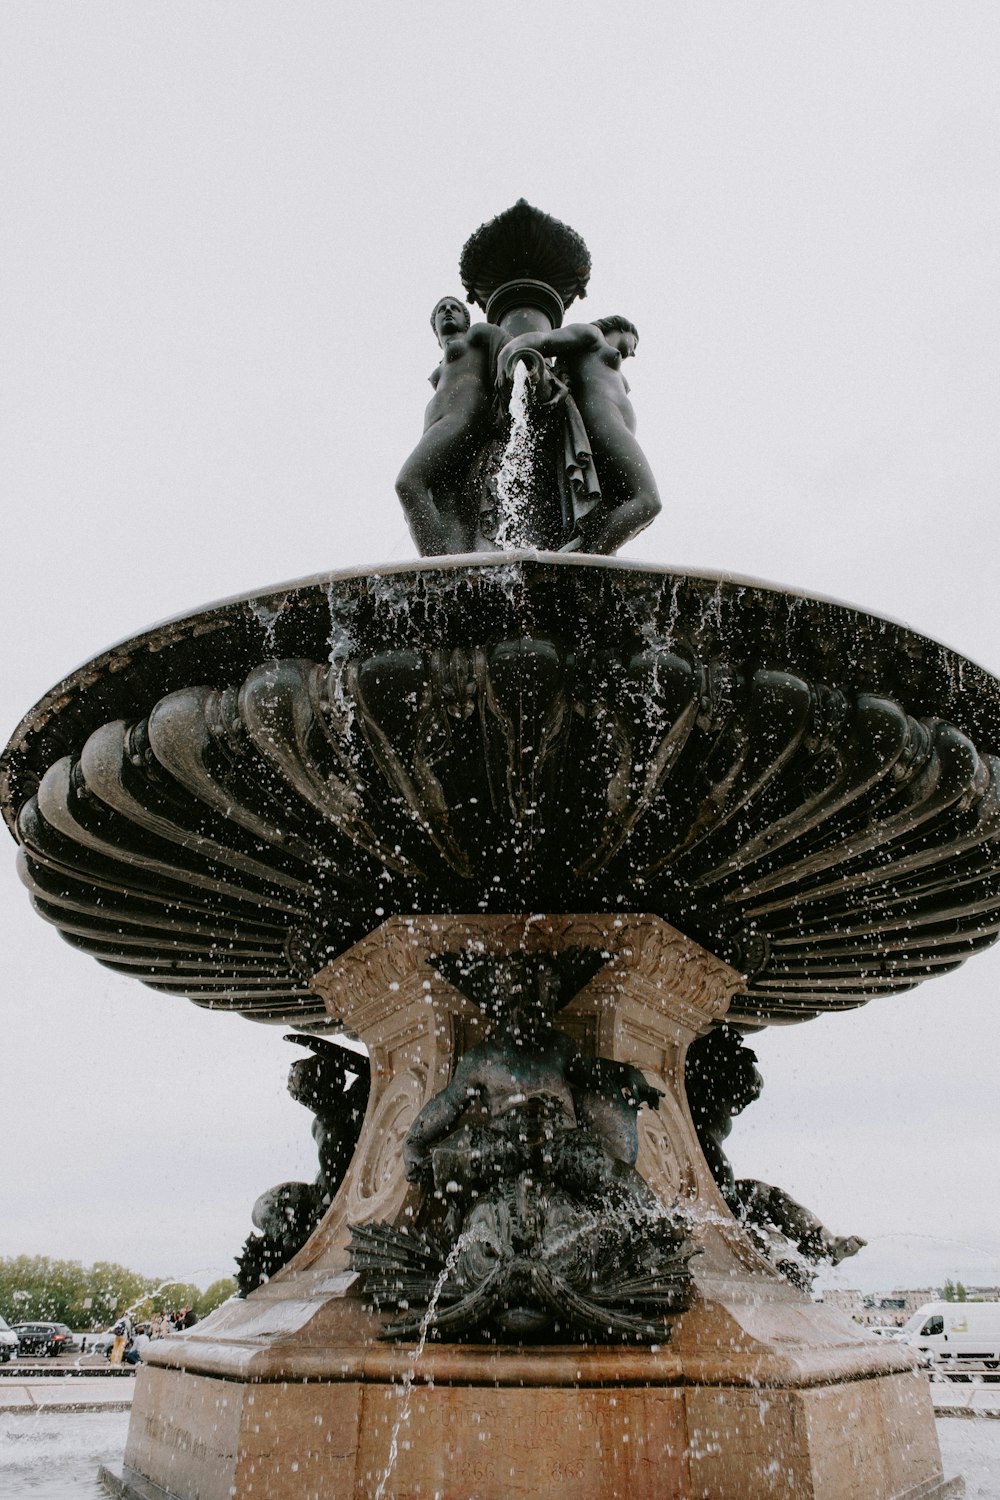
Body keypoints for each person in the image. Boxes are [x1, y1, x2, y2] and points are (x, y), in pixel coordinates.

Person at [498, 316, 661, 553]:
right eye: (633, 342)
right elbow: (543, 340)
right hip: (604, 423)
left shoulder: (603, 357)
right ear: (621, 328)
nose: (633, 352)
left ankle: (580, 555)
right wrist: (509, 350)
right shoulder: (591, 335)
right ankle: (587, 563)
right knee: (648, 501)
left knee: (612, 513)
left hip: (615, 430)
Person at [395, 296, 509, 554]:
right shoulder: (439, 369)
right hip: (440, 428)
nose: (448, 310)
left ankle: (437, 575)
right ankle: (454, 572)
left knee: (408, 482)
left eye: (455, 308)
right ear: (434, 327)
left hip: (461, 421)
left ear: (466, 321)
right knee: (448, 514)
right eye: (441, 309)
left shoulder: (478, 335)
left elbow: (511, 349)